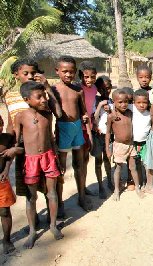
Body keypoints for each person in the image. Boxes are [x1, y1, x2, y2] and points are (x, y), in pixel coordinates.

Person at [15, 82, 64, 249]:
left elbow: (50, 138)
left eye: (45, 96)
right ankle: (32, 231)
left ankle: (52, 226)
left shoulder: (48, 115)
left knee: (52, 194)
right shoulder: (20, 117)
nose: (44, 99)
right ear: (27, 100)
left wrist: (56, 157)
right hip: (31, 159)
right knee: (31, 197)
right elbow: (17, 140)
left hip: (49, 156)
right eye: (39, 97)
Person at [52, 56, 91, 212]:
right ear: (57, 71)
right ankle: (60, 203)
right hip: (63, 128)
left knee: (79, 165)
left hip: (77, 129)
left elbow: (84, 112)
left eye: (71, 72)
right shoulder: (53, 90)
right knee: (61, 167)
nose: (68, 75)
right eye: (65, 71)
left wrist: (86, 124)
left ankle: (81, 196)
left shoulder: (78, 90)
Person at [105, 89, 144, 200]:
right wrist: (108, 149)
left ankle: (137, 188)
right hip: (119, 145)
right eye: (120, 102)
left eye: (126, 101)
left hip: (131, 145)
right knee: (118, 169)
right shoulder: (111, 117)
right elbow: (108, 133)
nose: (123, 104)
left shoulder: (129, 113)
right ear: (114, 102)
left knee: (133, 167)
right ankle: (116, 190)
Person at [92, 76, 113, 198]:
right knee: (98, 161)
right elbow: (94, 118)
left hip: (108, 135)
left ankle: (109, 181)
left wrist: (109, 110)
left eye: (108, 88)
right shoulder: (95, 101)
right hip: (98, 135)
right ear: (98, 89)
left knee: (107, 159)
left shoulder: (112, 101)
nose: (106, 90)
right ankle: (100, 185)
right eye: (102, 88)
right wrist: (100, 106)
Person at [0, 115, 16, 254]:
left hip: (1, 181)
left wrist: (6, 168)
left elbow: (12, 153)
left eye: (0, 124)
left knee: (4, 211)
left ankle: (6, 239)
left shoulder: (5, 138)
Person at [79, 61, 95, 196]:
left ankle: (84, 187)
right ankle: (81, 190)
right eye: (86, 77)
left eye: (92, 76)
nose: (89, 80)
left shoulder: (95, 89)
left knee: (85, 159)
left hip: (90, 127)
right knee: (79, 161)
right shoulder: (78, 89)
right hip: (79, 128)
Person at [132, 89, 151, 187]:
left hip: (145, 143)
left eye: (144, 102)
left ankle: (148, 182)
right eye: (138, 102)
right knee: (137, 163)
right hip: (134, 143)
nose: (142, 105)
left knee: (147, 164)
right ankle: (141, 181)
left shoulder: (149, 113)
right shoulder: (132, 109)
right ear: (134, 103)